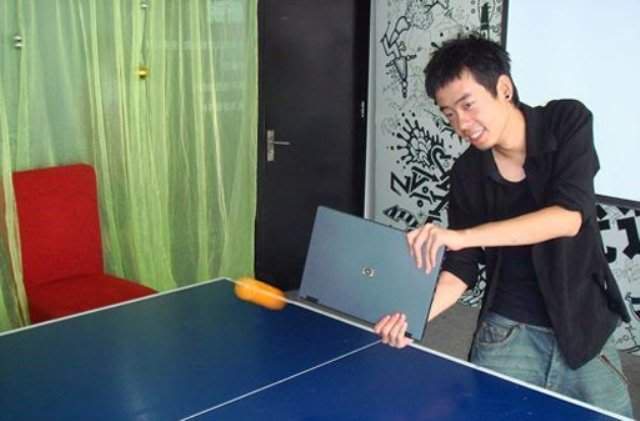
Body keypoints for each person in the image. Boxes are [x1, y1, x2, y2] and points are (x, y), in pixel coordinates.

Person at [374, 35, 633, 417]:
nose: (461, 124)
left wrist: (461, 236)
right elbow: (462, 267)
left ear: (504, 89)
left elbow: (568, 217)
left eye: (467, 105)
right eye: (449, 113)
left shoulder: (567, 121)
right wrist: (415, 317)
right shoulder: (467, 172)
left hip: (583, 323)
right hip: (506, 331)